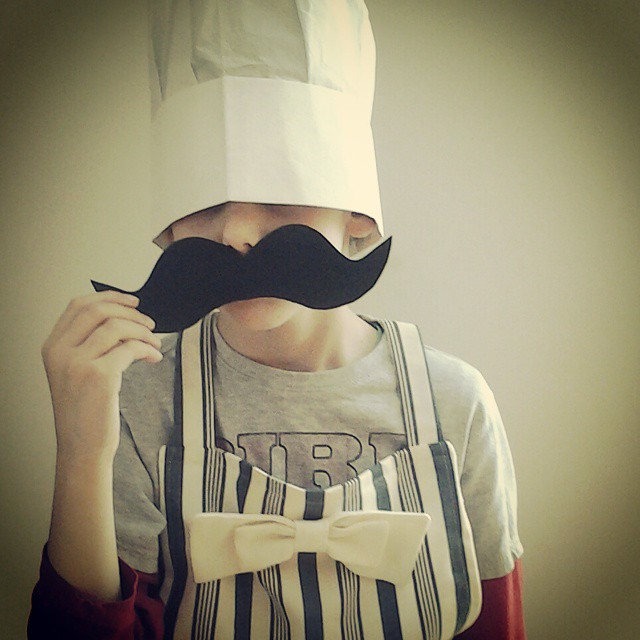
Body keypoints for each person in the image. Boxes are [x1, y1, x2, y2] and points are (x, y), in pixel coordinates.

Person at [28, 1, 525, 638]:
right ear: (167, 226)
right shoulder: (137, 401)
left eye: (280, 186)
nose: (236, 232)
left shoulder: (457, 403)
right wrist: (82, 453)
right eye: (204, 196)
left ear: (358, 214)